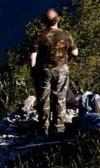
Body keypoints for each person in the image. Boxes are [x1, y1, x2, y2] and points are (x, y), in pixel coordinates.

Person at [29, 8, 79, 136]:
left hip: (43, 71)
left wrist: (33, 70)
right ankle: (58, 128)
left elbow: (32, 55)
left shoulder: (39, 34)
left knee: (43, 99)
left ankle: (43, 128)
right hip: (61, 70)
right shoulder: (66, 34)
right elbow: (75, 52)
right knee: (60, 98)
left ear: (44, 21)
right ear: (58, 19)